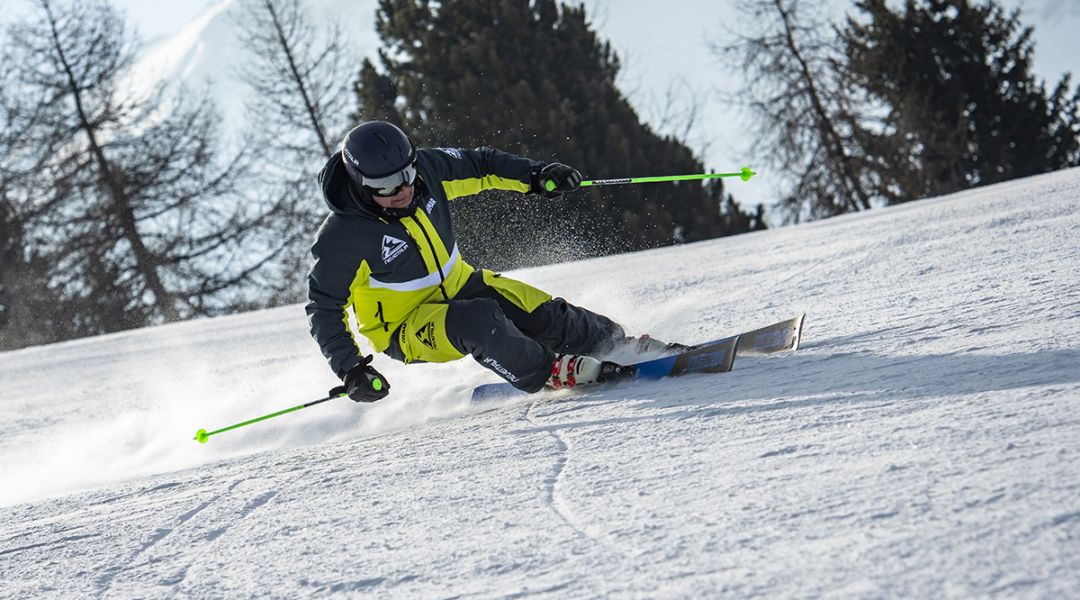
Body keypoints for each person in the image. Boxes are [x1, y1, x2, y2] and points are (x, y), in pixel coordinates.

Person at [306, 121, 680, 402]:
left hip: (459, 282)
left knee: (543, 312)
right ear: (360, 183)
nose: (403, 190)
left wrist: (535, 175)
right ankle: (549, 370)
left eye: (407, 175)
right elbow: (323, 306)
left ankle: (616, 345)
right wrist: (352, 368)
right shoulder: (342, 237)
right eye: (386, 187)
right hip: (406, 327)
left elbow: (481, 166)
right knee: (479, 320)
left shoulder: (428, 173)